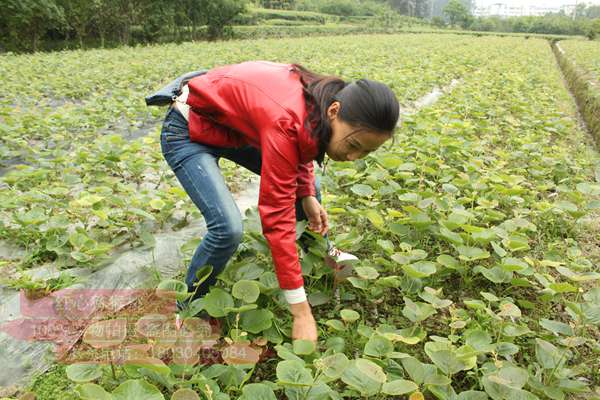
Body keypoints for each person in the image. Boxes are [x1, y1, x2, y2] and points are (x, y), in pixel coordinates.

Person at [159, 61, 399, 342]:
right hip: (189, 127)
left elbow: (305, 141)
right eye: (353, 146)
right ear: (334, 112)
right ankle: (188, 306)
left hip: (234, 127)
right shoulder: (286, 116)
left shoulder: (320, 102)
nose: (353, 158)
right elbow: (276, 215)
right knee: (227, 229)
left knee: (311, 186)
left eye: (365, 153)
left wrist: (307, 194)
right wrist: (300, 312)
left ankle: (324, 253)